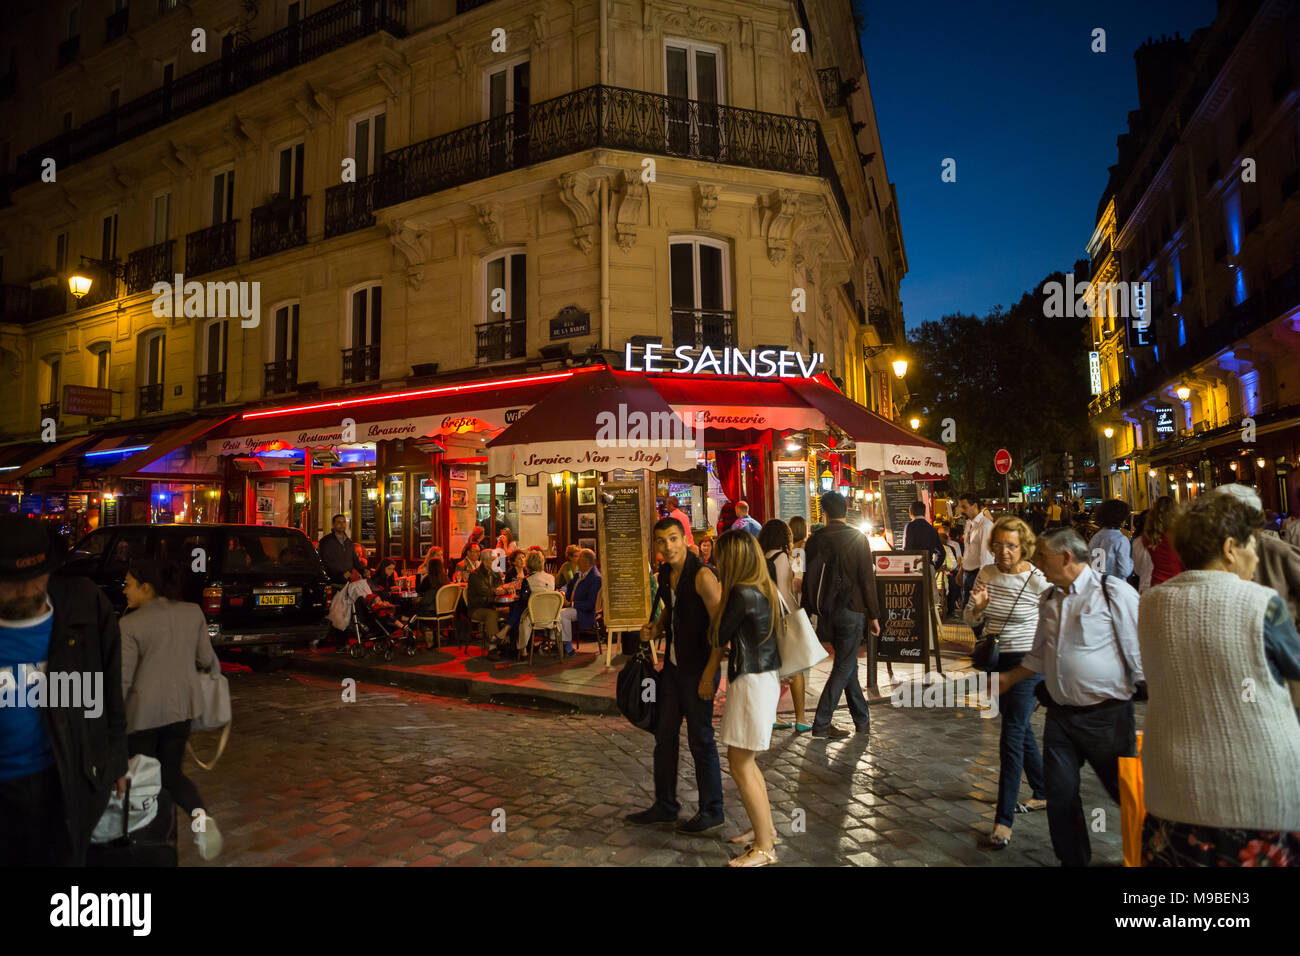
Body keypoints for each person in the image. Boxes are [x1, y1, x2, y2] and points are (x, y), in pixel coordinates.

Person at [1138, 492, 1300, 865]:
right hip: (1256, 796)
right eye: (1251, 546)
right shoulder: (1261, 603)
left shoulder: (1151, 604)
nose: (1256, 557)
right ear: (1229, 548)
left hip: (1173, 793)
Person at [999, 527, 1143, 867]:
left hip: (1109, 717)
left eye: (1042, 557)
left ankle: (1152, 851)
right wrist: (1008, 679)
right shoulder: (1049, 599)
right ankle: (1073, 860)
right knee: (1061, 796)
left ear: (1065, 557)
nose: (1038, 564)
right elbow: (1037, 656)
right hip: (1060, 717)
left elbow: (1141, 649)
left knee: (1126, 794)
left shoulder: (1112, 592)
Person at [0, 516, 127, 866]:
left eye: (34, 579)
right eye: (12, 583)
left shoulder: (84, 606)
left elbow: (110, 687)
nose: (26, 590)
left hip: (65, 782)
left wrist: (115, 760)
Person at [119, 558, 224, 861]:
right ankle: (200, 818)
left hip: (141, 715)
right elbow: (207, 660)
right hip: (181, 710)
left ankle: (146, 843)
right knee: (170, 774)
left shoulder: (130, 624)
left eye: (128, 584)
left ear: (146, 587)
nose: (124, 590)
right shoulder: (192, 613)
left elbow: (122, 681)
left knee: (140, 779)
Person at [628, 516, 725, 833]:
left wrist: (711, 673)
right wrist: (656, 627)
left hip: (698, 669)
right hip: (671, 668)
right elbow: (671, 607)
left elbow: (719, 627)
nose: (667, 546)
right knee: (664, 735)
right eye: (661, 541)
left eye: (673, 539)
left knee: (701, 739)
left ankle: (712, 809)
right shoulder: (668, 573)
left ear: (685, 540)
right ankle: (665, 805)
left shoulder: (703, 576)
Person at [963, 516, 1053, 848]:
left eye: (1011, 546)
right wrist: (979, 608)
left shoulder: (1037, 579)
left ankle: (1003, 821)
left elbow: (1055, 619)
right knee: (1019, 726)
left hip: (1028, 663)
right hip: (994, 661)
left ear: (1024, 546)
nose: (1003, 552)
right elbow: (970, 617)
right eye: (998, 545)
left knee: (1012, 734)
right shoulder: (986, 574)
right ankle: (1043, 792)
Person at [699, 530, 783, 866]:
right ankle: (766, 831)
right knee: (746, 762)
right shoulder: (764, 588)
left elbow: (717, 634)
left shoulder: (741, 593)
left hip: (751, 681)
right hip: (763, 678)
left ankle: (764, 847)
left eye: (720, 556)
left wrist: (715, 601)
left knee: (740, 764)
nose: (716, 562)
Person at [803, 490, 881, 738]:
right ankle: (822, 721)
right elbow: (866, 580)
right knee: (844, 665)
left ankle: (862, 720)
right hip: (851, 608)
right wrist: (874, 615)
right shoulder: (857, 538)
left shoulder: (814, 540)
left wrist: (807, 611)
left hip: (826, 611)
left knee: (848, 666)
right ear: (846, 510)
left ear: (824, 513)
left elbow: (808, 580)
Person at [759, 518, 808, 733]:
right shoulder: (783, 558)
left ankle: (771, 715)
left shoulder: (761, 557)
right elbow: (787, 591)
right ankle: (801, 718)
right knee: (797, 669)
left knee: (772, 669)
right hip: (785, 617)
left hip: (767, 618)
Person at [1131, 496, 1181, 593]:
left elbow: (1137, 570)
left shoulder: (1142, 540)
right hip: (1177, 587)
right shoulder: (1180, 538)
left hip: (1152, 587)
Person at [514, 551, 557, 656]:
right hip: (552, 617)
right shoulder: (551, 578)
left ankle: (522, 649)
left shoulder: (528, 580)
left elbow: (524, 601)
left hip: (534, 618)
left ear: (528, 563)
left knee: (518, 613)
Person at [559, 549, 601, 657]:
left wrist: (571, 604)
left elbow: (591, 604)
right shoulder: (579, 574)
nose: (577, 562)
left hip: (585, 611)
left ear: (586, 562)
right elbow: (568, 585)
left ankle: (568, 648)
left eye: (580, 559)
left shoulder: (596, 578)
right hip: (573, 607)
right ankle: (559, 643)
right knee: (554, 612)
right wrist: (562, 593)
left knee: (563, 615)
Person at [958, 495, 994, 616]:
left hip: (978, 574)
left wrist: (982, 582)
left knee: (977, 613)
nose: (962, 510)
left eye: (964, 507)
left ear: (974, 506)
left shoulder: (985, 525)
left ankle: (984, 635)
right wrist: (961, 570)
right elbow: (968, 551)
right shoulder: (969, 524)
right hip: (967, 573)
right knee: (967, 612)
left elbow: (986, 556)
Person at [1088, 499, 1134, 580]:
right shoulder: (1121, 540)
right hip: (1115, 585)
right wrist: (1132, 562)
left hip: (1097, 583)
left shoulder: (1095, 537)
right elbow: (1125, 571)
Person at [465, 550, 504, 644]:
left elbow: (500, 587)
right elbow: (485, 591)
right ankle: (493, 647)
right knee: (491, 614)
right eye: (493, 560)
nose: (496, 563)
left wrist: (505, 589)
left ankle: (509, 644)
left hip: (491, 605)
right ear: (485, 562)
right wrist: (497, 591)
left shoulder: (495, 573)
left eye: (496, 560)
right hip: (476, 608)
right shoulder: (475, 575)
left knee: (512, 611)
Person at [319, 513, 366, 585]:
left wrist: (363, 571)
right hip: (332, 581)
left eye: (344, 522)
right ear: (333, 524)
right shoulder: (326, 541)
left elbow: (355, 560)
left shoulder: (348, 542)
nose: (342, 524)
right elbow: (326, 562)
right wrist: (337, 576)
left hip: (347, 579)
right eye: (339, 522)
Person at [902, 500, 945, 569]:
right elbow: (941, 552)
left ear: (910, 512)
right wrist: (934, 566)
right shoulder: (932, 529)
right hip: (928, 566)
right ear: (924, 512)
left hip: (913, 568)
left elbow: (907, 549)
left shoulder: (910, 526)